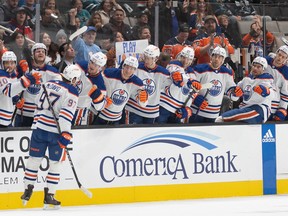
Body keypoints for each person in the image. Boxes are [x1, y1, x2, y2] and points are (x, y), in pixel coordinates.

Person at [20, 64, 81, 209]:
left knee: (34, 159)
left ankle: (27, 190)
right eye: (76, 80)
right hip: (55, 133)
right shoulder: (72, 91)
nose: (76, 83)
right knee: (55, 163)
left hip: (38, 128)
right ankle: (49, 195)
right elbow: (66, 114)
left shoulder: (47, 84)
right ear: (72, 79)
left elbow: (37, 103)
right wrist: (66, 133)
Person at [189, 47, 242, 123]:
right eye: (215, 56)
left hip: (213, 114)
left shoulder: (227, 73)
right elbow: (190, 86)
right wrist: (194, 98)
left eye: (220, 57)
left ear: (223, 59)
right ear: (211, 57)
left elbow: (231, 92)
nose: (217, 59)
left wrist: (236, 93)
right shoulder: (199, 69)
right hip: (196, 111)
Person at [14, 43, 61, 127]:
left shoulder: (52, 71)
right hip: (22, 113)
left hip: (40, 114)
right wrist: (19, 69)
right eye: (38, 51)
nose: (41, 53)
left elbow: (60, 88)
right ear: (33, 54)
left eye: (43, 51)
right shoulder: (25, 68)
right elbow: (13, 83)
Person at [215, 57, 274, 123]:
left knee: (222, 119)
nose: (255, 68)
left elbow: (273, 95)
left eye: (258, 67)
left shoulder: (266, 80)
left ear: (263, 69)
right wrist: (235, 93)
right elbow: (234, 97)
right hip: (244, 108)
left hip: (259, 110)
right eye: (254, 66)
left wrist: (266, 91)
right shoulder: (246, 80)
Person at [93, 56, 148, 125]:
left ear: (135, 70)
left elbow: (142, 104)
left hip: (115, 117)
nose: (128, 71)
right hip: (99, 114)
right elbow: (96, 84)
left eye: (131, 68)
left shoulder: (137, 83)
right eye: (127, 67)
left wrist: (143, 100)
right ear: (123, 66)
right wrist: (101, 98)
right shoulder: (109, 73)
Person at [125, 45, 171, 124]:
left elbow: (168, 88)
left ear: (156, 58)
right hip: (134, 108)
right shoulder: (136, 67)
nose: (146, 60)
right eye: (145, 57)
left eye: (149, 58)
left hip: (151, 111)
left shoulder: (164, 73)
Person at [158, 47, 205, 124]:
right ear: (180, 56)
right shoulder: (174, 64)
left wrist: (189, 106)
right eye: (184, 57)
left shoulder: (191, 73)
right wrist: (191, 81)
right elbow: (179, 75)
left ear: (192, 60)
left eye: (189, 59)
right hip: (164, 106)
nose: (186, 61)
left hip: (177, 111)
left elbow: (190, 92)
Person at [0, 51, 41, 127]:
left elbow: (8, 94)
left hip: (7, 119)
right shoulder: (1, 75)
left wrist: (15, 99)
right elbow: (8, 91)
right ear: (2, 64)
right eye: (7, 63)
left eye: (12, 63)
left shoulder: (11, 75)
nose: (9, 65)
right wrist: (25, 81)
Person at [74, 52, 111, 126]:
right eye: (91, 62)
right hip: (66, 103)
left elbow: (99, 107)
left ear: (101, 67)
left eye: (96, 65)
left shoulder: (100, 84)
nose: (91, 65)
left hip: (80, 110)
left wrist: (99, 100)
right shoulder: (80, 65)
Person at [265, 45, 288, 121]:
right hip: (259, 101)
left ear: (286, 59)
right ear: (276, 53)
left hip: (273, 107)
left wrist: (282, 109)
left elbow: (285, 93)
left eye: (283, 57)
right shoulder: (265, 61)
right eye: (279, 55)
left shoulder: (286, 72)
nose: (280, 58)